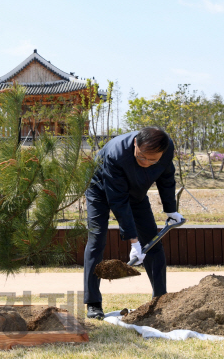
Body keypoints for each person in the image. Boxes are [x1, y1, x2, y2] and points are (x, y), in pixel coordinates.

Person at [83, 127, 184, 320]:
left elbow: (166, 176)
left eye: (152, 160)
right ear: (135, 143)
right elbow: (118, 201)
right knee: (97, 240)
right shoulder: (115, 153)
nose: (146, 163)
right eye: (142, 157)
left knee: (153, 242)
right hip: (100, 189)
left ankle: (160, 298)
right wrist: (133, 242)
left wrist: (170, 209)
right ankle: (94, 303)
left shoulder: (167, 147)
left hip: (136, 193)